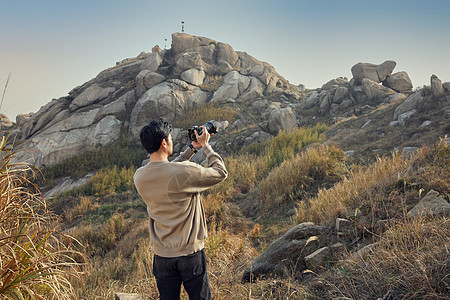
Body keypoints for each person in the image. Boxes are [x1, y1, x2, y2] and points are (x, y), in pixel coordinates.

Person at [134, 118, 227, 300]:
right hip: (190, 253)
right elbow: (220, 172)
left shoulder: (140, 176)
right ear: (163, 143)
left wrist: (192, 148)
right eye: (170, 138)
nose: (171, 141)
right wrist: (205, 146)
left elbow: (168, 169)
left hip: (162, 256)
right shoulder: (185, 172)